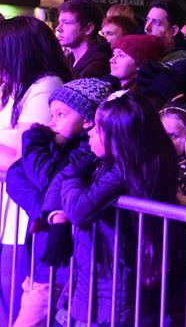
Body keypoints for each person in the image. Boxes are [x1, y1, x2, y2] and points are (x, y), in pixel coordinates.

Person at [41, 93, 177, 326]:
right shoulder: (107, 163)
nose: (90, 132)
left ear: (119, 138)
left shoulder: (123, 172)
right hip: (95, 279)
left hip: (112, 288)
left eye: (98, 129)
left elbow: (79, 209)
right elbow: (60, 182)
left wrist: (75, 177)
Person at [5, 78, 113, 326]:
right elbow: (15, 175)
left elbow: (48, 179)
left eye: (61, 115)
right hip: (41, 258)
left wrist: (32, 141)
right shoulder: (61, 148)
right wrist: (46, 211)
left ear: (88, 120)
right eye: (52, 114)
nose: (52, 122)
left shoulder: (87, 151)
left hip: (60, 266)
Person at [0, 17, 71, 326]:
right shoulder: (19, 86)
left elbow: (25, 157)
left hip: (24, 218)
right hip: (9, 213)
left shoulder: (46, 87)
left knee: (14, 299)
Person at [137, 0, 186, 101]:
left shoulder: (183, 64)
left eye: (156, 23)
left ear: (173, 30)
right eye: (147, 20)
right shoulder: (145, 51)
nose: (147, 28)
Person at [56, 0, 112, 78]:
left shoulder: (97, 67)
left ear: (88, 29)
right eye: (59, 22)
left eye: (67, 23)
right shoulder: (69, 59)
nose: (58, 28)